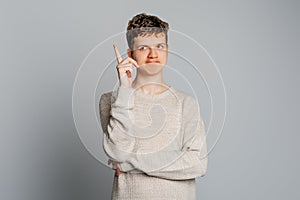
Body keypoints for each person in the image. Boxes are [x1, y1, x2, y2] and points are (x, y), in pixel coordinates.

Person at [99, 13, 208, 200]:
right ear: (131, 54)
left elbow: (196, 163)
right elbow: (118, 152)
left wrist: (130, 163)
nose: (153, 54)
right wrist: (125, 89)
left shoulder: (186, 103)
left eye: (159, 46)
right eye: (143, 48)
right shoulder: (112, 101)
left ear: (167, 49)